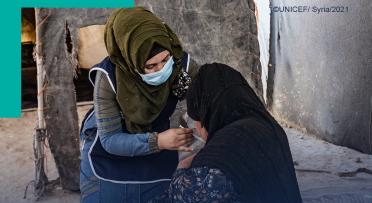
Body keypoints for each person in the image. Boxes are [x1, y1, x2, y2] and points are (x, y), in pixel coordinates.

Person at [79, 8, 199, 203]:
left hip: (163, 146)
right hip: (111, 153)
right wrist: (158, 141)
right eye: (150, 66)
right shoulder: (109, 77)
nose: (161, 69)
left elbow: (208, 102)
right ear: (129, 61)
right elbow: (110, 140)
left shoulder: (180, 65)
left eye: (164, 60)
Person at [154, 63, 302, 202]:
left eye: (197, 120)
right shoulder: (269, 126)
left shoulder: (221, 154)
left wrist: (181, 172)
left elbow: (190, 195)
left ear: (208, 111)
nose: (197, 128)